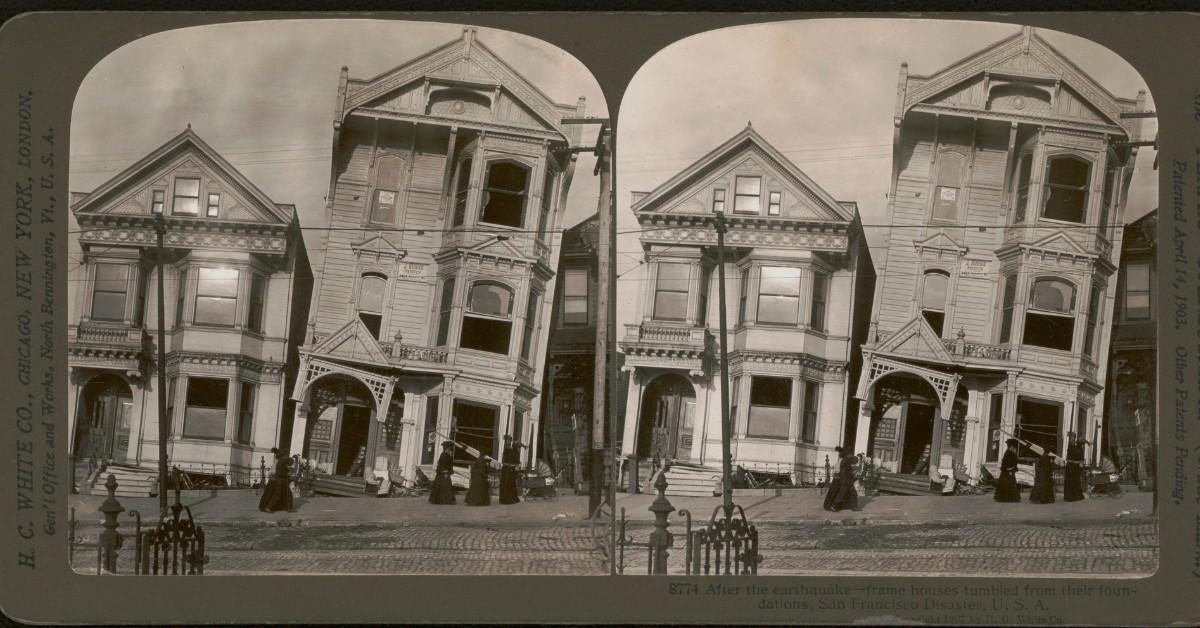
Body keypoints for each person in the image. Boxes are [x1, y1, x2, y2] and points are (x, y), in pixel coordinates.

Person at [258, 448, 294, 513]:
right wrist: (287, 473)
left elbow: (282, 469)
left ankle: (288, 508)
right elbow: (278, 471)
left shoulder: (279, 461)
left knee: (285, 493)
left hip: (278, 479)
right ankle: (269, 507)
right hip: (279, 480)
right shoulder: (281, 461)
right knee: (278, 494)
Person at [828, 446, 858, 512]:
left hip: (847, 480)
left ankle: (854, 507)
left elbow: (854, 461)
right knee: (842, 494)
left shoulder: (845, 460)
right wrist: (852, 473)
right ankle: (834, 507)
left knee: (853, 493)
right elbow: (845, 471)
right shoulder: (845, 461)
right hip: (845, 481)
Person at [429, 441, 457, 505]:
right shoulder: (444, 456)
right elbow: (443, 465)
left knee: (442, 486)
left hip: (442, 474)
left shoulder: (445, 455)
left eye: (449, 449)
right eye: (449, 449)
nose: (449, 450)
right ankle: (445, 500)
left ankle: (440, 500)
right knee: (446, 486)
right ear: (446, 449)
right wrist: (446, 473)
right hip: (443, 474)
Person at [994, 438, 1021, 502]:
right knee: (1008, 484)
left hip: (1008, 471)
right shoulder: (1009, 453)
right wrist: (1009, 470)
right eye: (1014, 446)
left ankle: (1005, 498)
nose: (1014, 448)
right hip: (1008, 471)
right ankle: (1007, 498)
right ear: (1011, 446)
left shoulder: (1010, 452)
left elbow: (1013, 462)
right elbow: (1006, 463)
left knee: (1008, 484)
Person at [498, 436, 522, 505]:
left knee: (505, 484)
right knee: (510, 484)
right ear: (517, 447)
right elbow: (516, 465)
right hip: (510, 471)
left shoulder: (506, 451)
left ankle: (503, 500)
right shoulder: (515, 453)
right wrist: (516, 470)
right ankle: (509, 499)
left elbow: (504, 461)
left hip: (505, 470)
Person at [1064, 433, 1086, 502]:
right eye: (1071, 438)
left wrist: (1079, 464)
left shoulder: (1075, 448)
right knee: (1073, 481)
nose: (1072, 440)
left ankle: (1070, 496)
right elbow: (1069, 458)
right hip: (1072, 466)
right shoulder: (1073, 448)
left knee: (1073, 481)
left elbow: (1080, 459)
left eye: (1073, 438)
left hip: (1073, 466)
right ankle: (1072, 496)